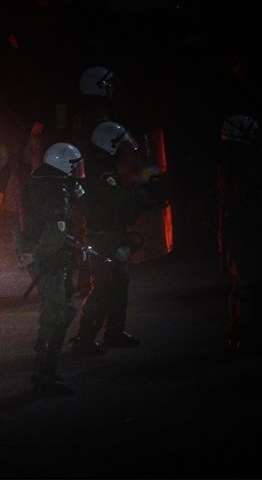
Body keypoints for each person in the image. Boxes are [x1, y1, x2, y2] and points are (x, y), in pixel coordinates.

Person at [71, 121, 162, 355]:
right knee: (103, 287)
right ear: (109, 145)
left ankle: (114, 332)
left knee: (119, 282)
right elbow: (117, 199)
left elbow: (122, 188)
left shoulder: (102, 165)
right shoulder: (98, 171)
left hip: (111, 231)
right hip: (103, 234)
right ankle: (84, 339)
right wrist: (145, 196)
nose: (123, 150)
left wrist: (144, 181)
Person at [18, 142, 87, 396]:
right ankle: (44, 372)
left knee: (62, 308)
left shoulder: (40, 183)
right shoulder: (57, 191)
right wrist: (41, 254)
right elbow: (54, 232)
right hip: (48, 258)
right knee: (55, 313)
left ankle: (47, 370)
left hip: (42, 253)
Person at [216, 113, 262, 353]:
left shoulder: (236, 163)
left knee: (245, 286)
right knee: (247, 286)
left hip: (240, 231)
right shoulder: (239, 166)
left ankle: (243, 334)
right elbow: (252, 200)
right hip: (244, 231)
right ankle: (245, 336)